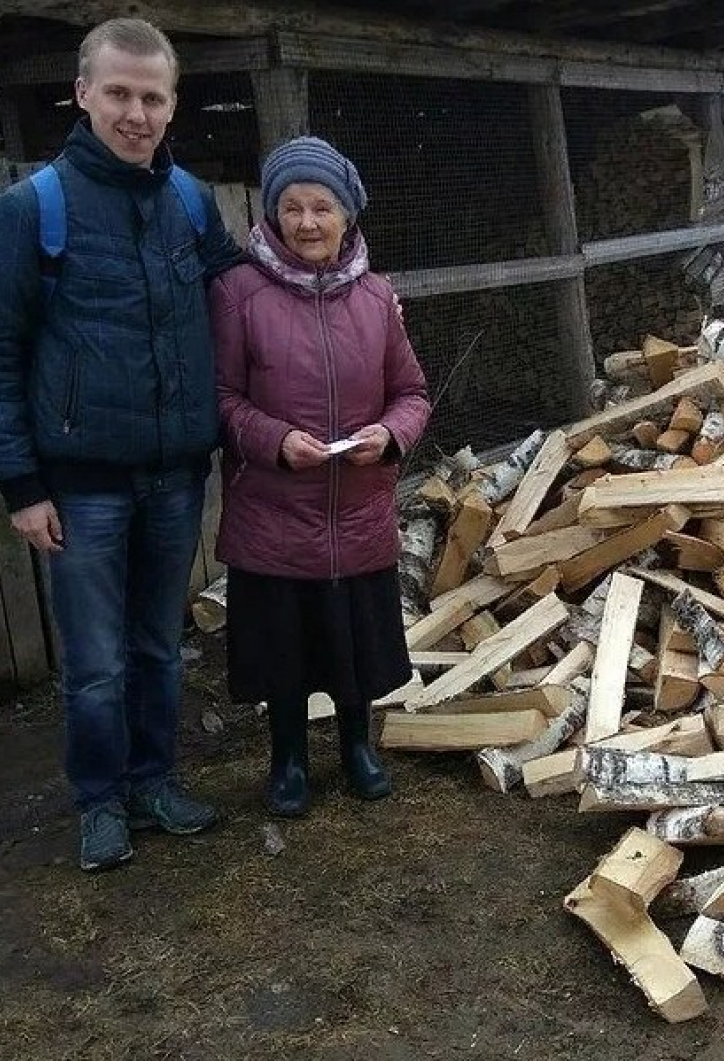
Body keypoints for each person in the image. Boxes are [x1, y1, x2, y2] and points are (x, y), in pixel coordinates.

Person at [0, 18, 243, 871]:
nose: (136, 113)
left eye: (152, 97)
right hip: (79, 484)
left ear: (171, 104)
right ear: (82, 94)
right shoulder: (32, 209)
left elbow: (245, 299)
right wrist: (21, 485)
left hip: (172, 476)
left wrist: (355, 306)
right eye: (118, 93)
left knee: (159, 644)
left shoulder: (191, 203)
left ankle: (154, 783)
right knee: (92, 662)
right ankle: (99, 802)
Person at [209, 137, 431, 818]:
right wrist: (275, 441)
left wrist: (391, 433)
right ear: (273, 216)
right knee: (284, 650)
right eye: (292, 207)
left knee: (353, 644)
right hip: (275, 516)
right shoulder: (239, 293)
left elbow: (413, 393)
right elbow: (220, 399)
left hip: (356, 511)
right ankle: (289, 761)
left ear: (348, 215)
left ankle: (358, 747)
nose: (307, 222)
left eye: (322, 207)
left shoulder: (375, 297)